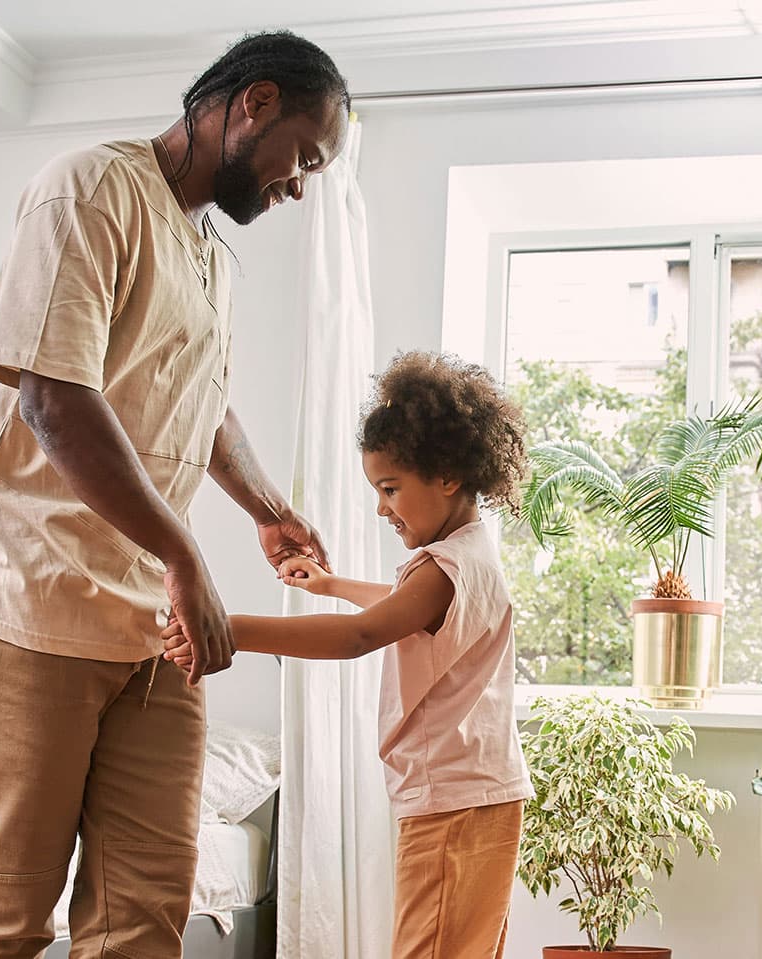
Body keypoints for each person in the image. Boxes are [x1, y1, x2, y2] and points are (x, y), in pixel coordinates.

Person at [0, 31, 348, 959]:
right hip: (25, 607)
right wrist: (186, 556)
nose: (299, 185)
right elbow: (51, 396)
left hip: (148, 630)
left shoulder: (207, 254)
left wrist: (268, 508)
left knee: (144, 917)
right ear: (256, 104)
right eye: (304, 159)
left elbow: (205, 403)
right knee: (10, 917)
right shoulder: (90, 190)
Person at [163, 352, 535, 959]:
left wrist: (224, 628)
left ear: (446, 476)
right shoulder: (469, 553)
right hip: (476, 792)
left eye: (390, 489)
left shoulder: (444, 569)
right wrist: (329, 586)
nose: (382, 508)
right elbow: (403, 605)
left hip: (453, 799)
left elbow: (359, 636)